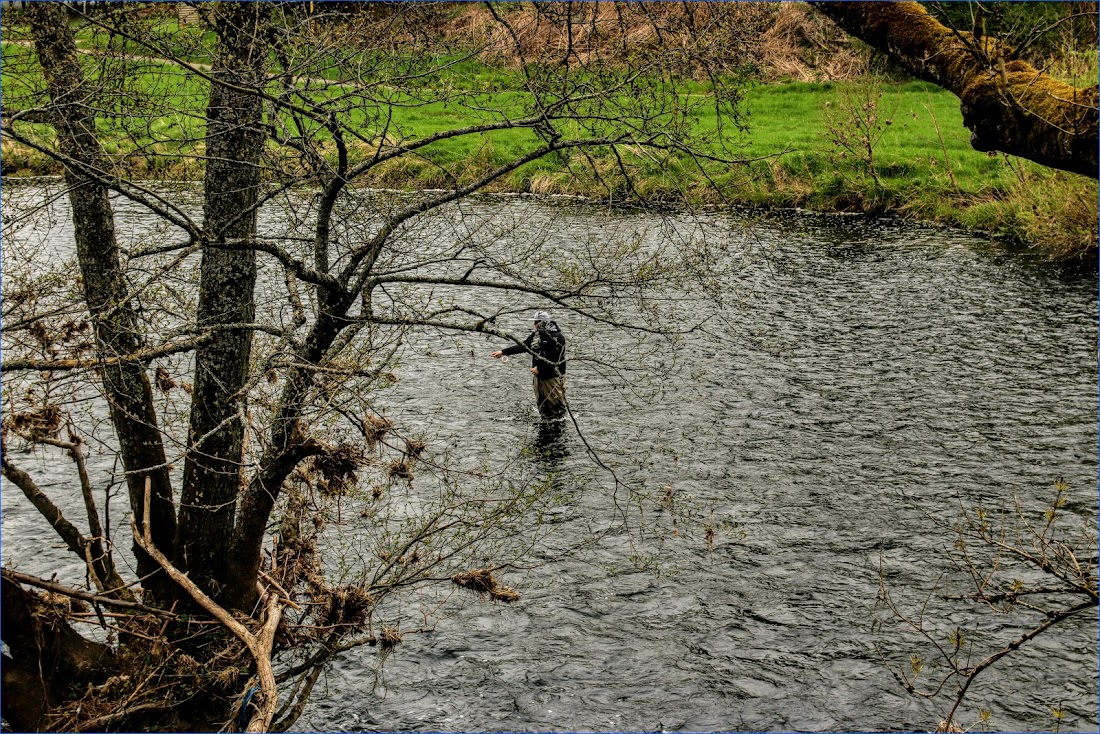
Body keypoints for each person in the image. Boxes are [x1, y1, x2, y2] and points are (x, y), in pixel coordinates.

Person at [490, 310, 567, 418]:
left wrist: (540, 369)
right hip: (539, 377)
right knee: (543, 407)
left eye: (536, 322)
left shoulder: (557, 337)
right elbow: (524, 346)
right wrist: (503, 352)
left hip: (552, 378)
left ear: (543, 322)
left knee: (556, 409)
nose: (534, 325)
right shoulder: (536, 335)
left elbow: (555, 359)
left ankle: (558, 431)